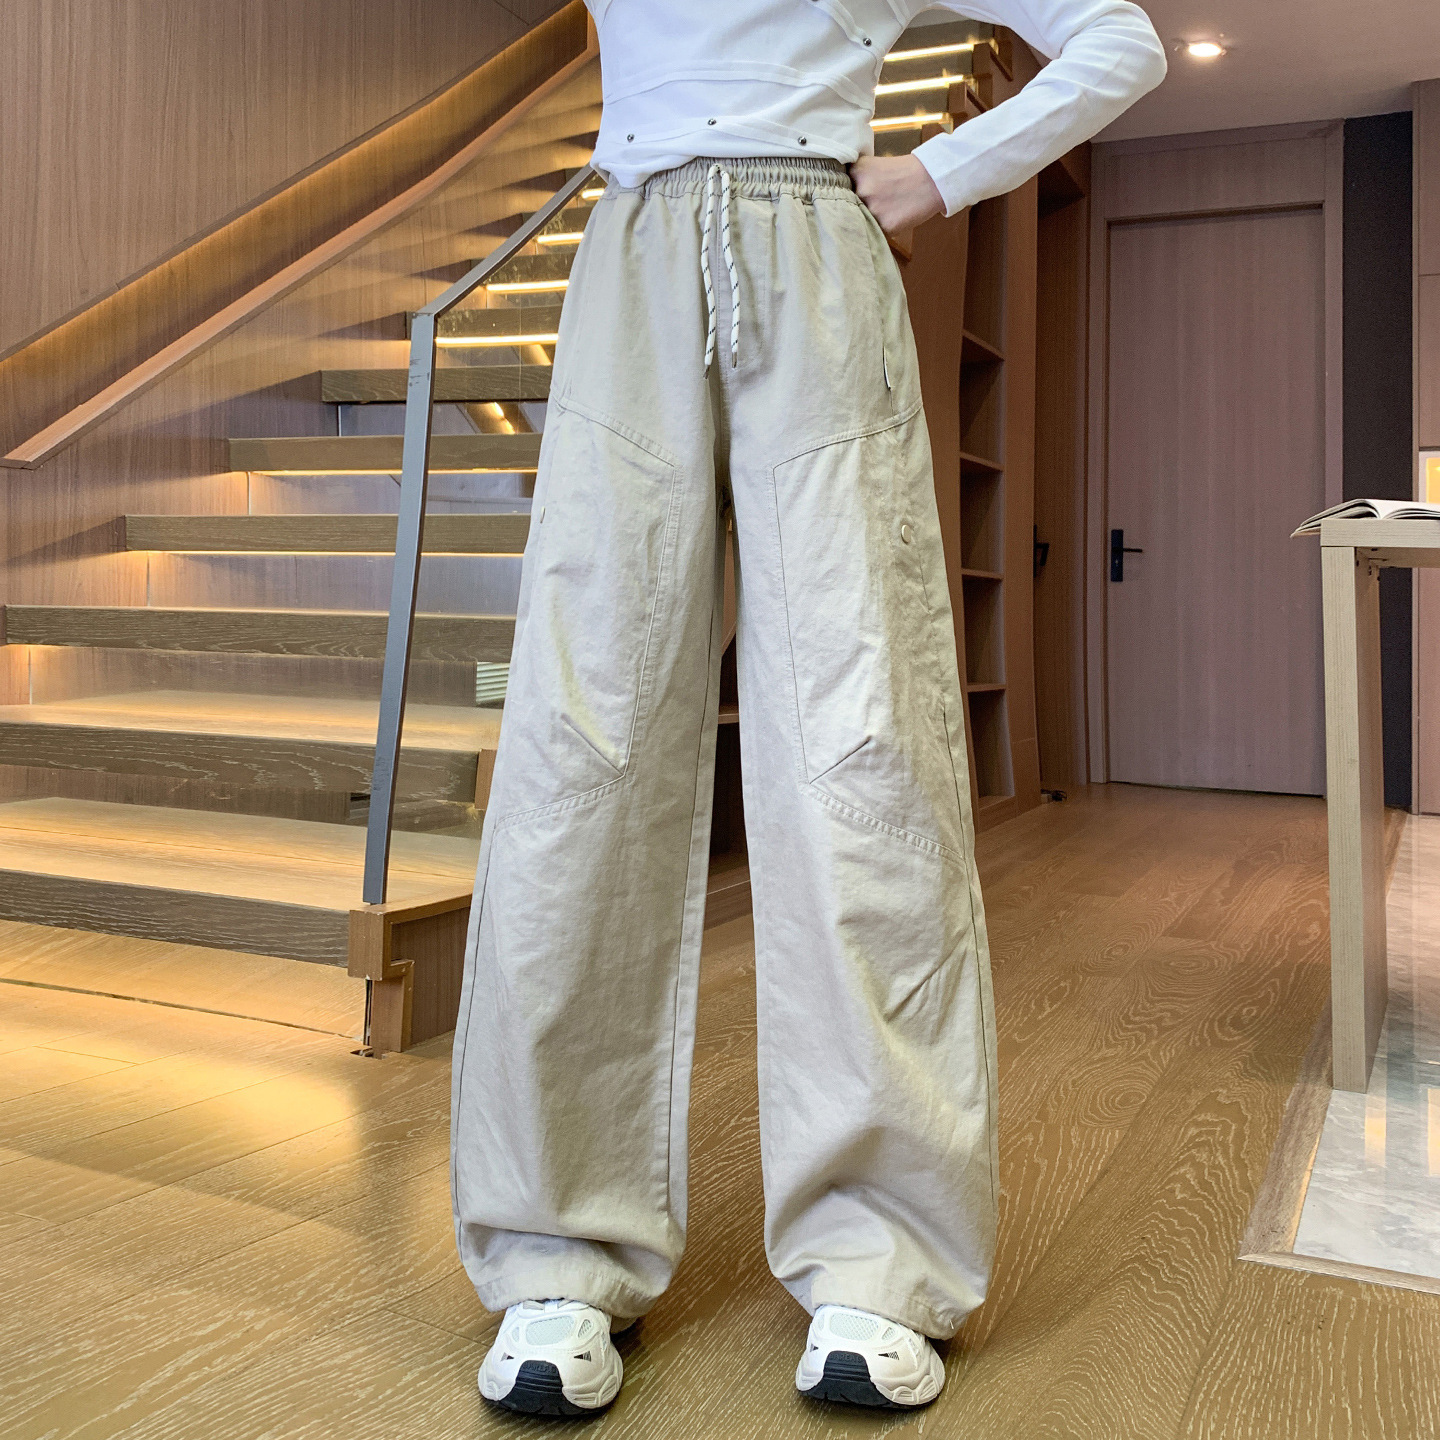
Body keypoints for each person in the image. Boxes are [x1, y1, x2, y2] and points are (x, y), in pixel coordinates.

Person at [452, 0, 1165, 1417]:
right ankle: (554, 1248)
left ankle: (881, 1259)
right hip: (631, 245)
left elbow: (1117, 36)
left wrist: (940, 171)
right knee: (580, 743)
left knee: (863, 741)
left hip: (820, 257)